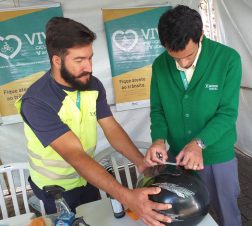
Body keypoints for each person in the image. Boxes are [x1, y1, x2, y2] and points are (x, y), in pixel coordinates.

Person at [15, 17, 172, 226]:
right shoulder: (37, 101)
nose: (89, 67)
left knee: (96, 219)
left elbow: (111, 127)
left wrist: (140, 162)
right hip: (55, 189)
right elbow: (75, 155)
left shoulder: (92, 84)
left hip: (87, 177)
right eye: (79, 61)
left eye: (90, 58)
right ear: (57, 60)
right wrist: (127, 197)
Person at [143, 5, 242, 226]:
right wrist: (158, 139)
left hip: (218, 154)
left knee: (227, 212)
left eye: (188, 56)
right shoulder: (160, 65)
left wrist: (199, 143)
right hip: (178, 156)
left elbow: (227, 113)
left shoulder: (227, 59)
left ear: (200, 36)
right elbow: (158, 109)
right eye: (174, 57)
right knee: (181, 213)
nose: (182, 63)